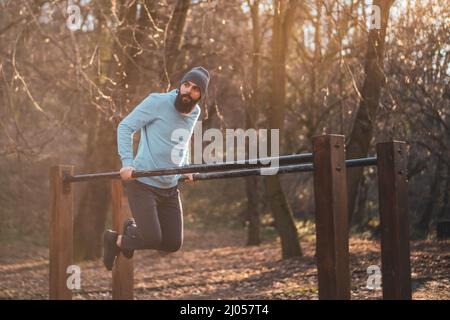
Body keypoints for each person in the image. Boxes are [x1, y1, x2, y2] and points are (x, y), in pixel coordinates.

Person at [102, 67, 210, 271]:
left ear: (201, 95)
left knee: (172, 243)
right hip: (143, 183)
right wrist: (127, 162)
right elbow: (125, 127)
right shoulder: (157, 102)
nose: (188, 91)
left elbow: (183, 142)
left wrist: (186, 166)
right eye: (186, 85)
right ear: (180, 85)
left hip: (169, 186)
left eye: (195, 89)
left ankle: (128, 233)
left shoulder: (194, 112)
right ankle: (114, 240)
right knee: (152, 237)